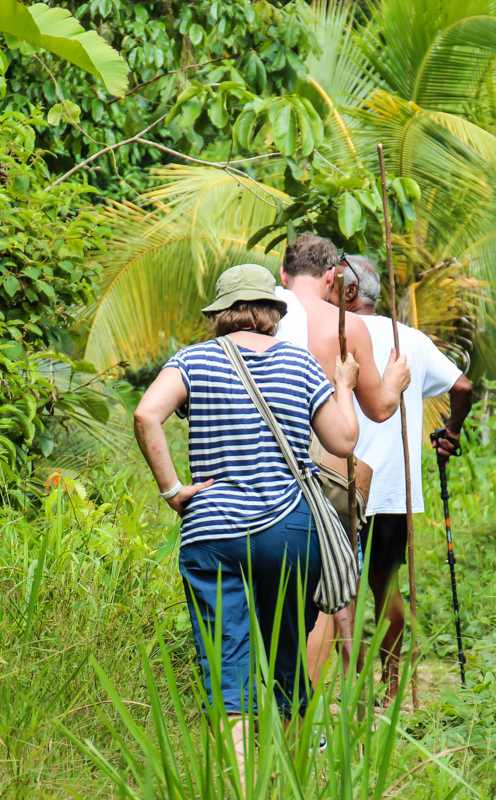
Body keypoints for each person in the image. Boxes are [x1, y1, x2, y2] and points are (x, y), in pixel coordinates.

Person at [132, 263, 361, 777]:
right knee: (286, 650)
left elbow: (147, 414)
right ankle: (297, 771)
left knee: (225, 656)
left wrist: (173, 491)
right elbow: (343, 442)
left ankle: (238, 781)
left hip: (213, 531)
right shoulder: (299, 363)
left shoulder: (191, 360)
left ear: (221, 314)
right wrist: (343, 385)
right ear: (272, 312)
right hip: (289, 529)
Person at [329, 255, 474, 702]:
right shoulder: (407, 339)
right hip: (394, 488)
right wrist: (451, 431)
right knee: (387, 587)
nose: (326, 296)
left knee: (341, 591)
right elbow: (463, 388)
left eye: (332, 288)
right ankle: (392, 689)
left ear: (349, 293)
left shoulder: (333, 336)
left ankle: (354, 691)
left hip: (342, 484)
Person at [272, 233, 412, 684]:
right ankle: (304, 712)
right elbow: (380, 408)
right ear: (332, 276)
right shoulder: (345, 328)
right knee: (322, 591)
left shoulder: (257, 315)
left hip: (257, 458)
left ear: (282, 275)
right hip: (321, 461)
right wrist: (394, 380)